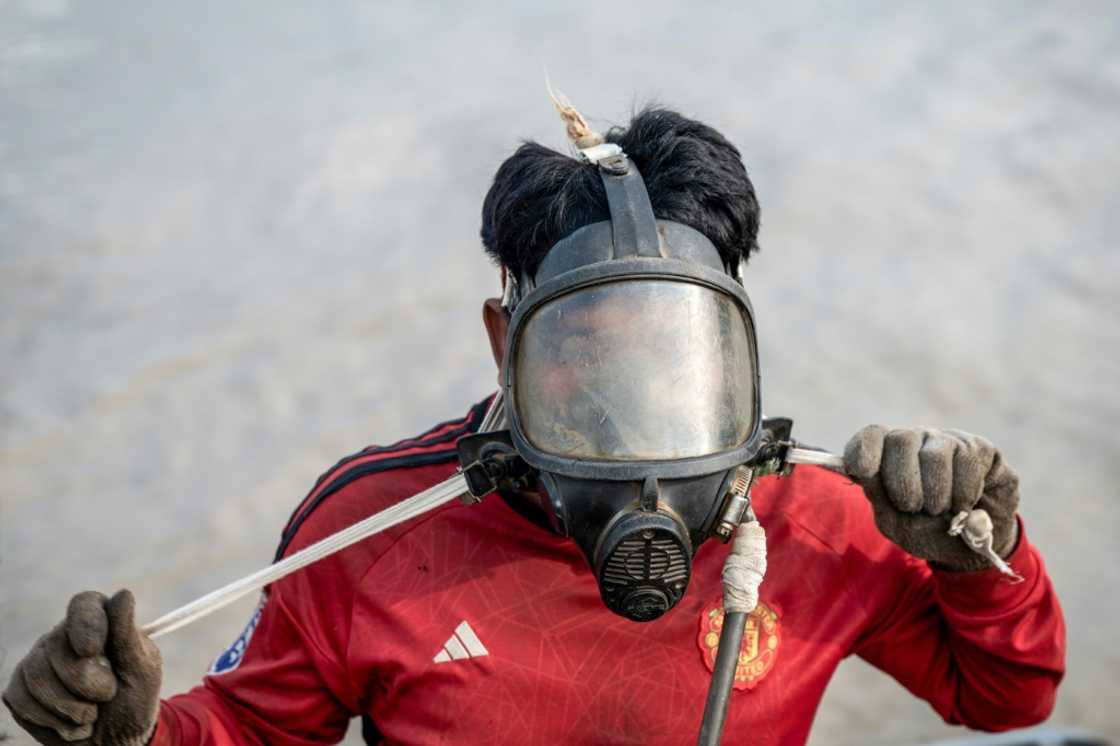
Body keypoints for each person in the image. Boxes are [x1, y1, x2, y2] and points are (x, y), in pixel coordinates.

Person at [3, 104, 1065, 746]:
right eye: (584, 353)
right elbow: (254, 724)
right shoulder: (373, 528)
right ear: (501, 341)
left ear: (736, 348)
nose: (631, 400)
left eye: (673, 349)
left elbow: (1005, 694)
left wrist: (984, 557)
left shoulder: (825, 519)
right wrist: (132, 732)